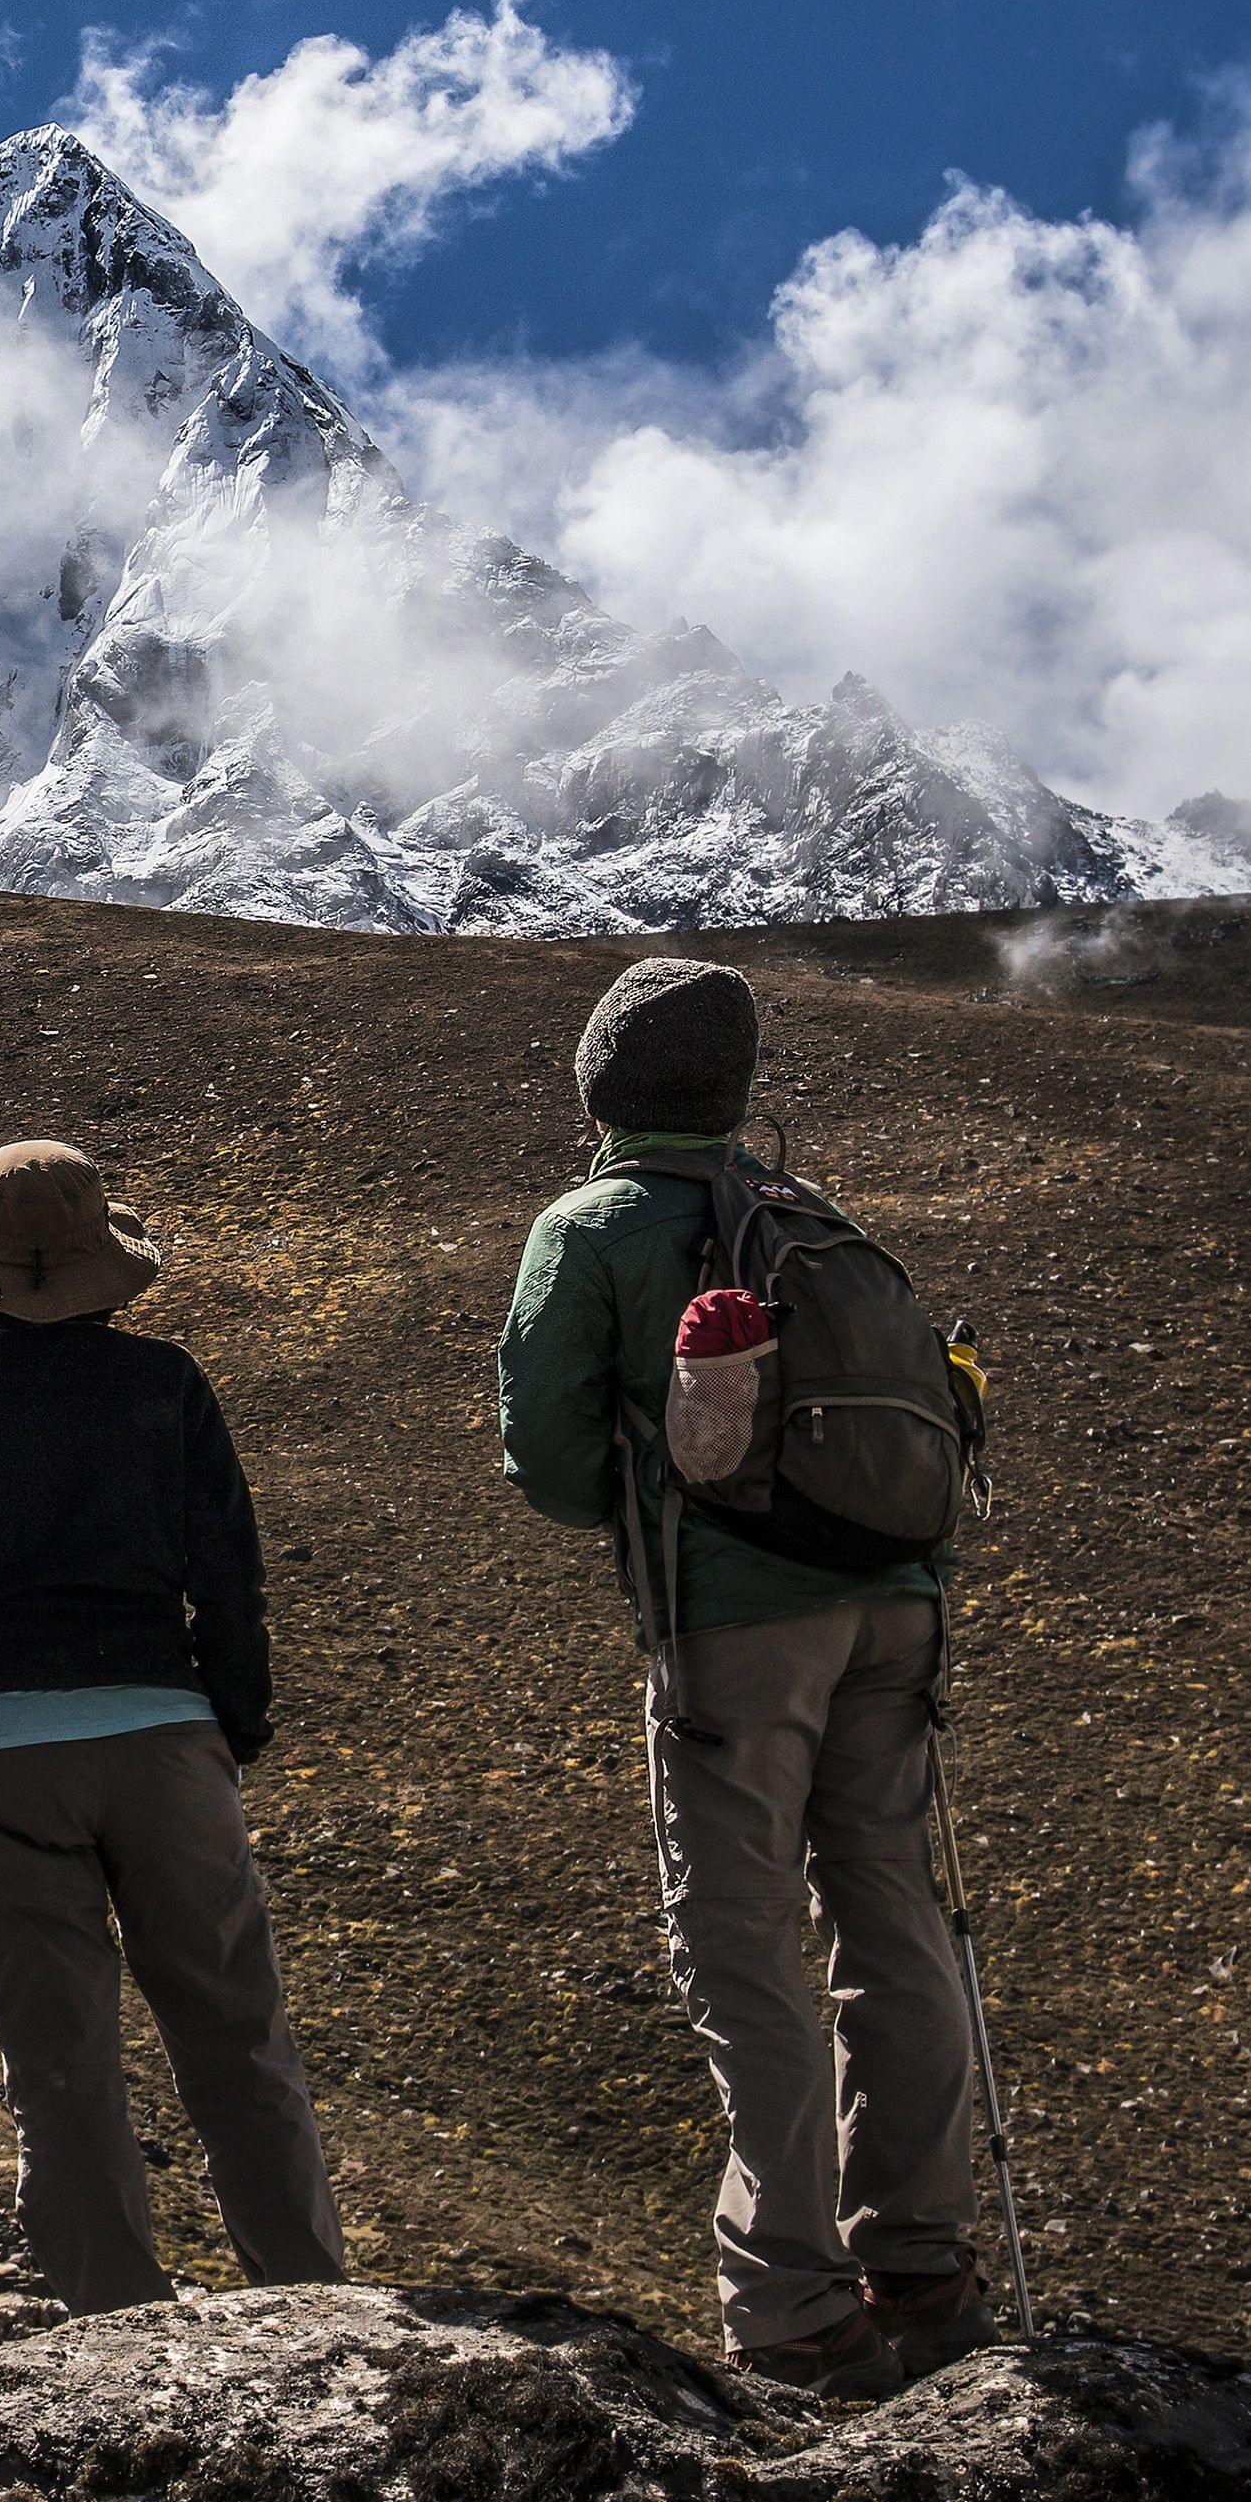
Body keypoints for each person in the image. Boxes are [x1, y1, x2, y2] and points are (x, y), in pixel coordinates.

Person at [496, 958, 989, 2396]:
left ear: (600, 1085)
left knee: (744, 1944)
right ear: (736, 1089)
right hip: (897, 1609)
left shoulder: (591, 1226)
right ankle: (921, 2255)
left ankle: (792, 2307)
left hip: (737, 1633)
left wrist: (667, 1491)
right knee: (892, 1917)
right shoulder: (812, 1220)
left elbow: (549, 1464)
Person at [0, 1140, 347, 2318]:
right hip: (166, 1736)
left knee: (61, 2061)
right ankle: (308, 2299)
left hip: (5, 1756)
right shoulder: (165, 1383)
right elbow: (230, 1575)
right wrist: (234, 1715)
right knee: (235, 2037)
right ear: (105, 1262)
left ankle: (110, 2320)